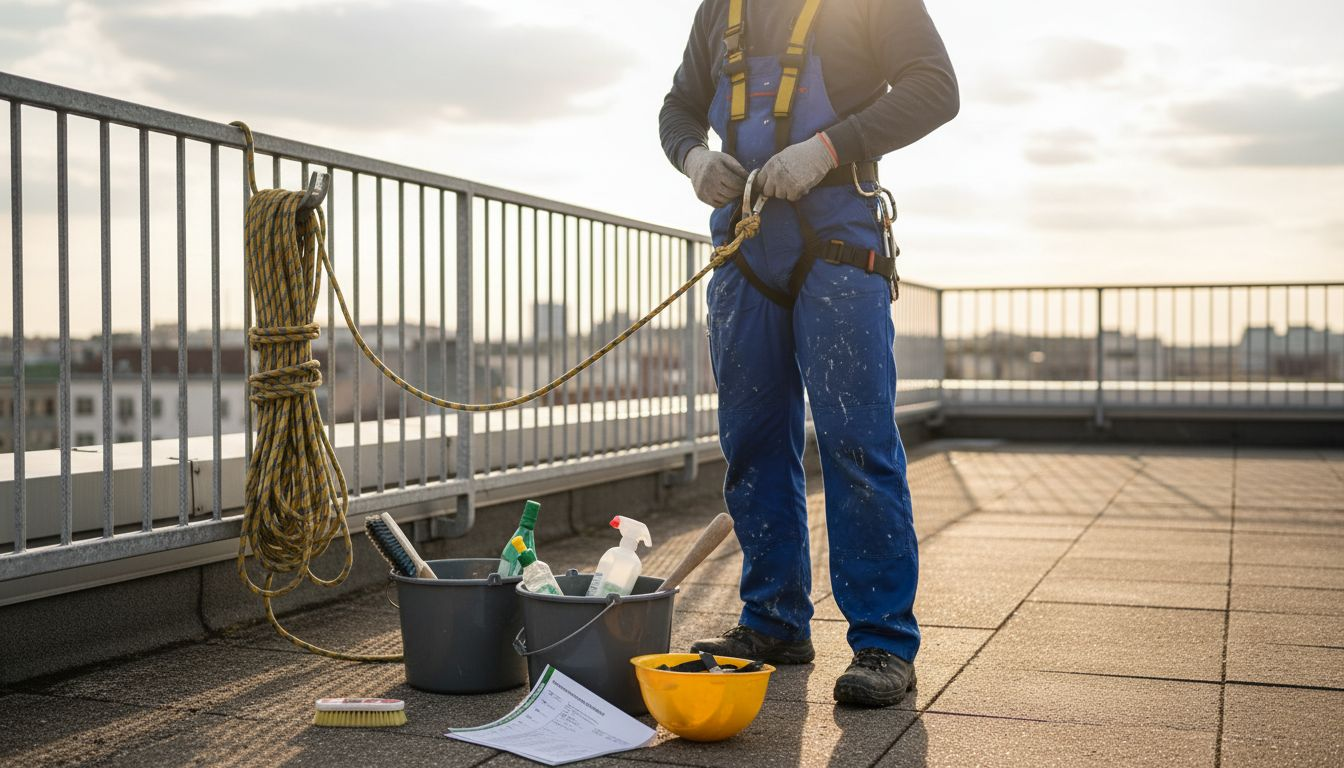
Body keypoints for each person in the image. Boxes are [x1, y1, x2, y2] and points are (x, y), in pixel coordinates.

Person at [659, 0, 958, 708]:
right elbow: (678, 108)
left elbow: (935, 87)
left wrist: (828, 149)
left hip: (839, 242)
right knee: (754, 441)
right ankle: (774, 622)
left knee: (856, 441)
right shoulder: (720, 9)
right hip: (746, 250)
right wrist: (693, 157)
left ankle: (884, 641)